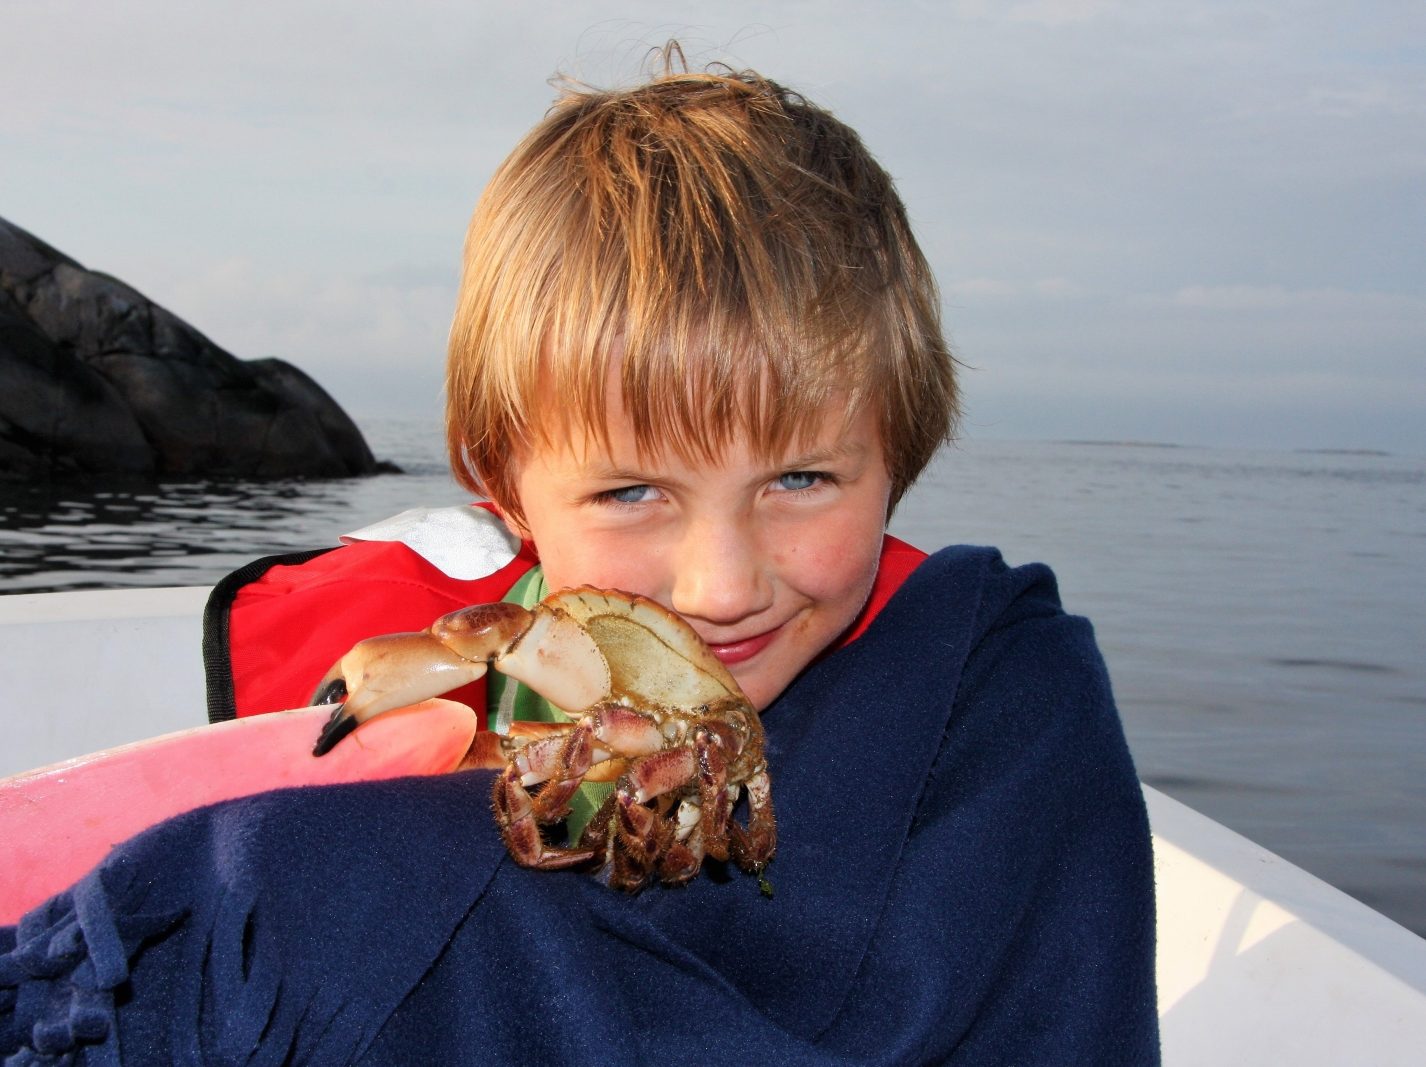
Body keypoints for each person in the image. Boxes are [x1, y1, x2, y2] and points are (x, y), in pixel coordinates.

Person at [2, 48, 1159, 1064]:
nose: (720, 586)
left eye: (800, 478)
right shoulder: (512, 667)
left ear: (897, 452)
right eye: (631, 490)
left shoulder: (1004, 695)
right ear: (505, 491)